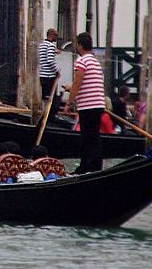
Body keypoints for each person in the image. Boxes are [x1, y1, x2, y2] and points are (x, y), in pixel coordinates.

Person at [64, 31, 105, 174]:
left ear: (80, 45)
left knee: (87, 137)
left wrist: (69, 103)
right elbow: (86, 83)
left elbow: (78, 82)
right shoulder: (94, 61)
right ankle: (94, 166)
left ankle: (86, 167)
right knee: (94, 136)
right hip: (98, 103)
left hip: (88, 105)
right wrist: (71, 88)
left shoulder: (81, 61)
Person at [38, 28, 59, 108]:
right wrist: (57, 71)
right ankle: (49, 116)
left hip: (42, 75)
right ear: (52, 35)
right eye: (56, 35)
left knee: (44, 97)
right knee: (51, 98)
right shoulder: (50, 45)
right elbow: (50, 60)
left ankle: (44, 114)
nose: (57, 37)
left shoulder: (42, 45)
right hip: (49, 76)